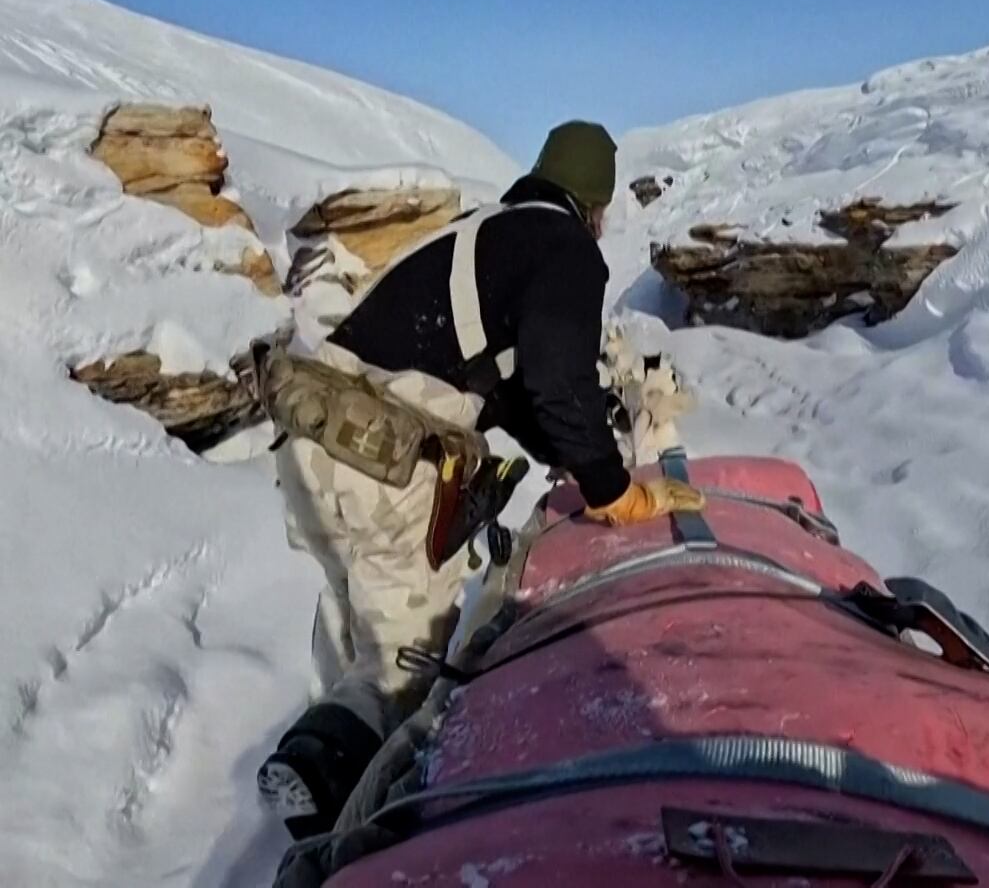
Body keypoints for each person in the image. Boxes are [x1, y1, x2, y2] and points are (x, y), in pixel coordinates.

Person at [256, 120, 704, 837]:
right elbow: (559, 383)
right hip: (383, 460)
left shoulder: (483, 233)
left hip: (316, 441)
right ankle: (344, 833)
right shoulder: (568, 250)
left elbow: (509, 387)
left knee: (354, 633)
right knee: (399, 670)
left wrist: (563, 453)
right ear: (596, 207)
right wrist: (613, 490)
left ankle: (329, 770)